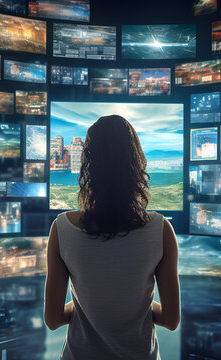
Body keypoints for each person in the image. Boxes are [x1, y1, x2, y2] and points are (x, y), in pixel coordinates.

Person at [44, 115, 180, 360]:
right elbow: (171, 320)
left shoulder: (62, 228)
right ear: (136, 162)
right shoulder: (161, 230)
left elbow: (53, 319)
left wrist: (90, 306)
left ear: (87, 162)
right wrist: (133, 307)